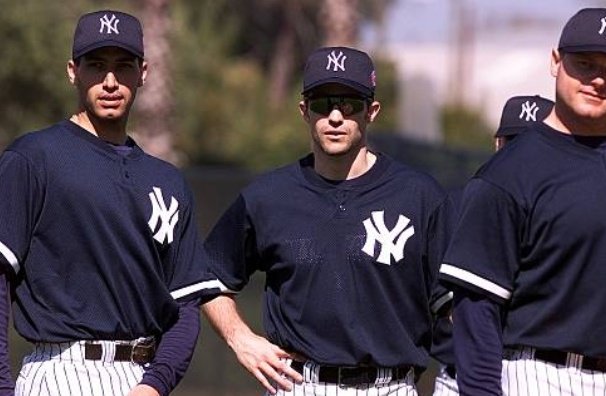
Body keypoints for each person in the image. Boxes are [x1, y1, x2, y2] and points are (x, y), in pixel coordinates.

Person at [439, 7, 606, 396]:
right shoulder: (508, 173)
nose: (598, 79)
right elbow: (477, 310)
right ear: (555, 62)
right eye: (585, 64)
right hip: (545, 376)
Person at [202, 46, 452, 395]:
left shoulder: (420, 196)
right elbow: (207, 276)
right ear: (305, 111)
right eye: (322, 103)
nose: (336, 116)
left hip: (392, 385)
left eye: (350, 104)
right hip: (299, 384)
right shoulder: (268, 197)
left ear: (372, 111)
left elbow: (457, 305)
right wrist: (241, 339)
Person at [0, 10, 222, 396]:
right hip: (58, 372)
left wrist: (155, 385)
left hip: (142, 378)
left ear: (144, 73)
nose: (109, 81)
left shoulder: (167, 181)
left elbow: (185, 307)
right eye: (96, 65)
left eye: (123, 67)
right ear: (73, 71)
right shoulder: (33, 158)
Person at [431, 94, 553, 396]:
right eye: (513, 143)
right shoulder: (458, 206)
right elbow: (449, 304)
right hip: (459, 378)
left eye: (533, 146)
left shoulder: (567, 215)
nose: (521, 156)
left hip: (542, 378)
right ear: (496, 144)